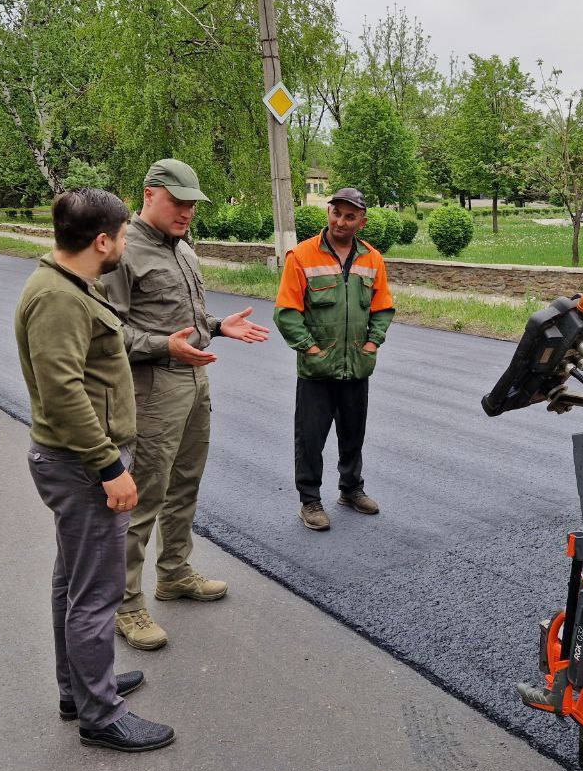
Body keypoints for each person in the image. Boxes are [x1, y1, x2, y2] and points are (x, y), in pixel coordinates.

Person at [14, 187, 174, 753]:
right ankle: (100, 715)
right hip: (83, 465)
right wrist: (110, 466)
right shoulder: (59, 298)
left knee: (73, 583)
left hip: (75, 462)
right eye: (124, 235)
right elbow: (62, 393)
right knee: (96, 593)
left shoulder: (71, 286)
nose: (126, 244)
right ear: (102, 241)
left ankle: (79, 689)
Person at [102, 159, 270, 651]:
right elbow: (110, 333)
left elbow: (180, 314)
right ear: (150, 193)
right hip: (153, 390)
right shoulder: (123, 251)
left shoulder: (183, 250)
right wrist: (165, 347)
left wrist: (218, 327)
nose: (188, 211)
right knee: (144, 497)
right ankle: (126, 605)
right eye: (178, 201)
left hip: (195, 382)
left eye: (193, 202)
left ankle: (174, 572)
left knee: (185, 484)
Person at [273, 187, 395, 531]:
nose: (340, 221)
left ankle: (351, 489)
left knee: (353, 433)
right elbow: (286, 313)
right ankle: (310, 501)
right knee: (310, 438)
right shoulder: (302, 255)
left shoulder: (372, 258)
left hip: (357, 365)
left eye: (349, 216)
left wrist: (372, 343)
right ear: (328, 212)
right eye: (336, 213)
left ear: (362, 222)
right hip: (316, 370)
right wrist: (310, 348)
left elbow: (383, 308)